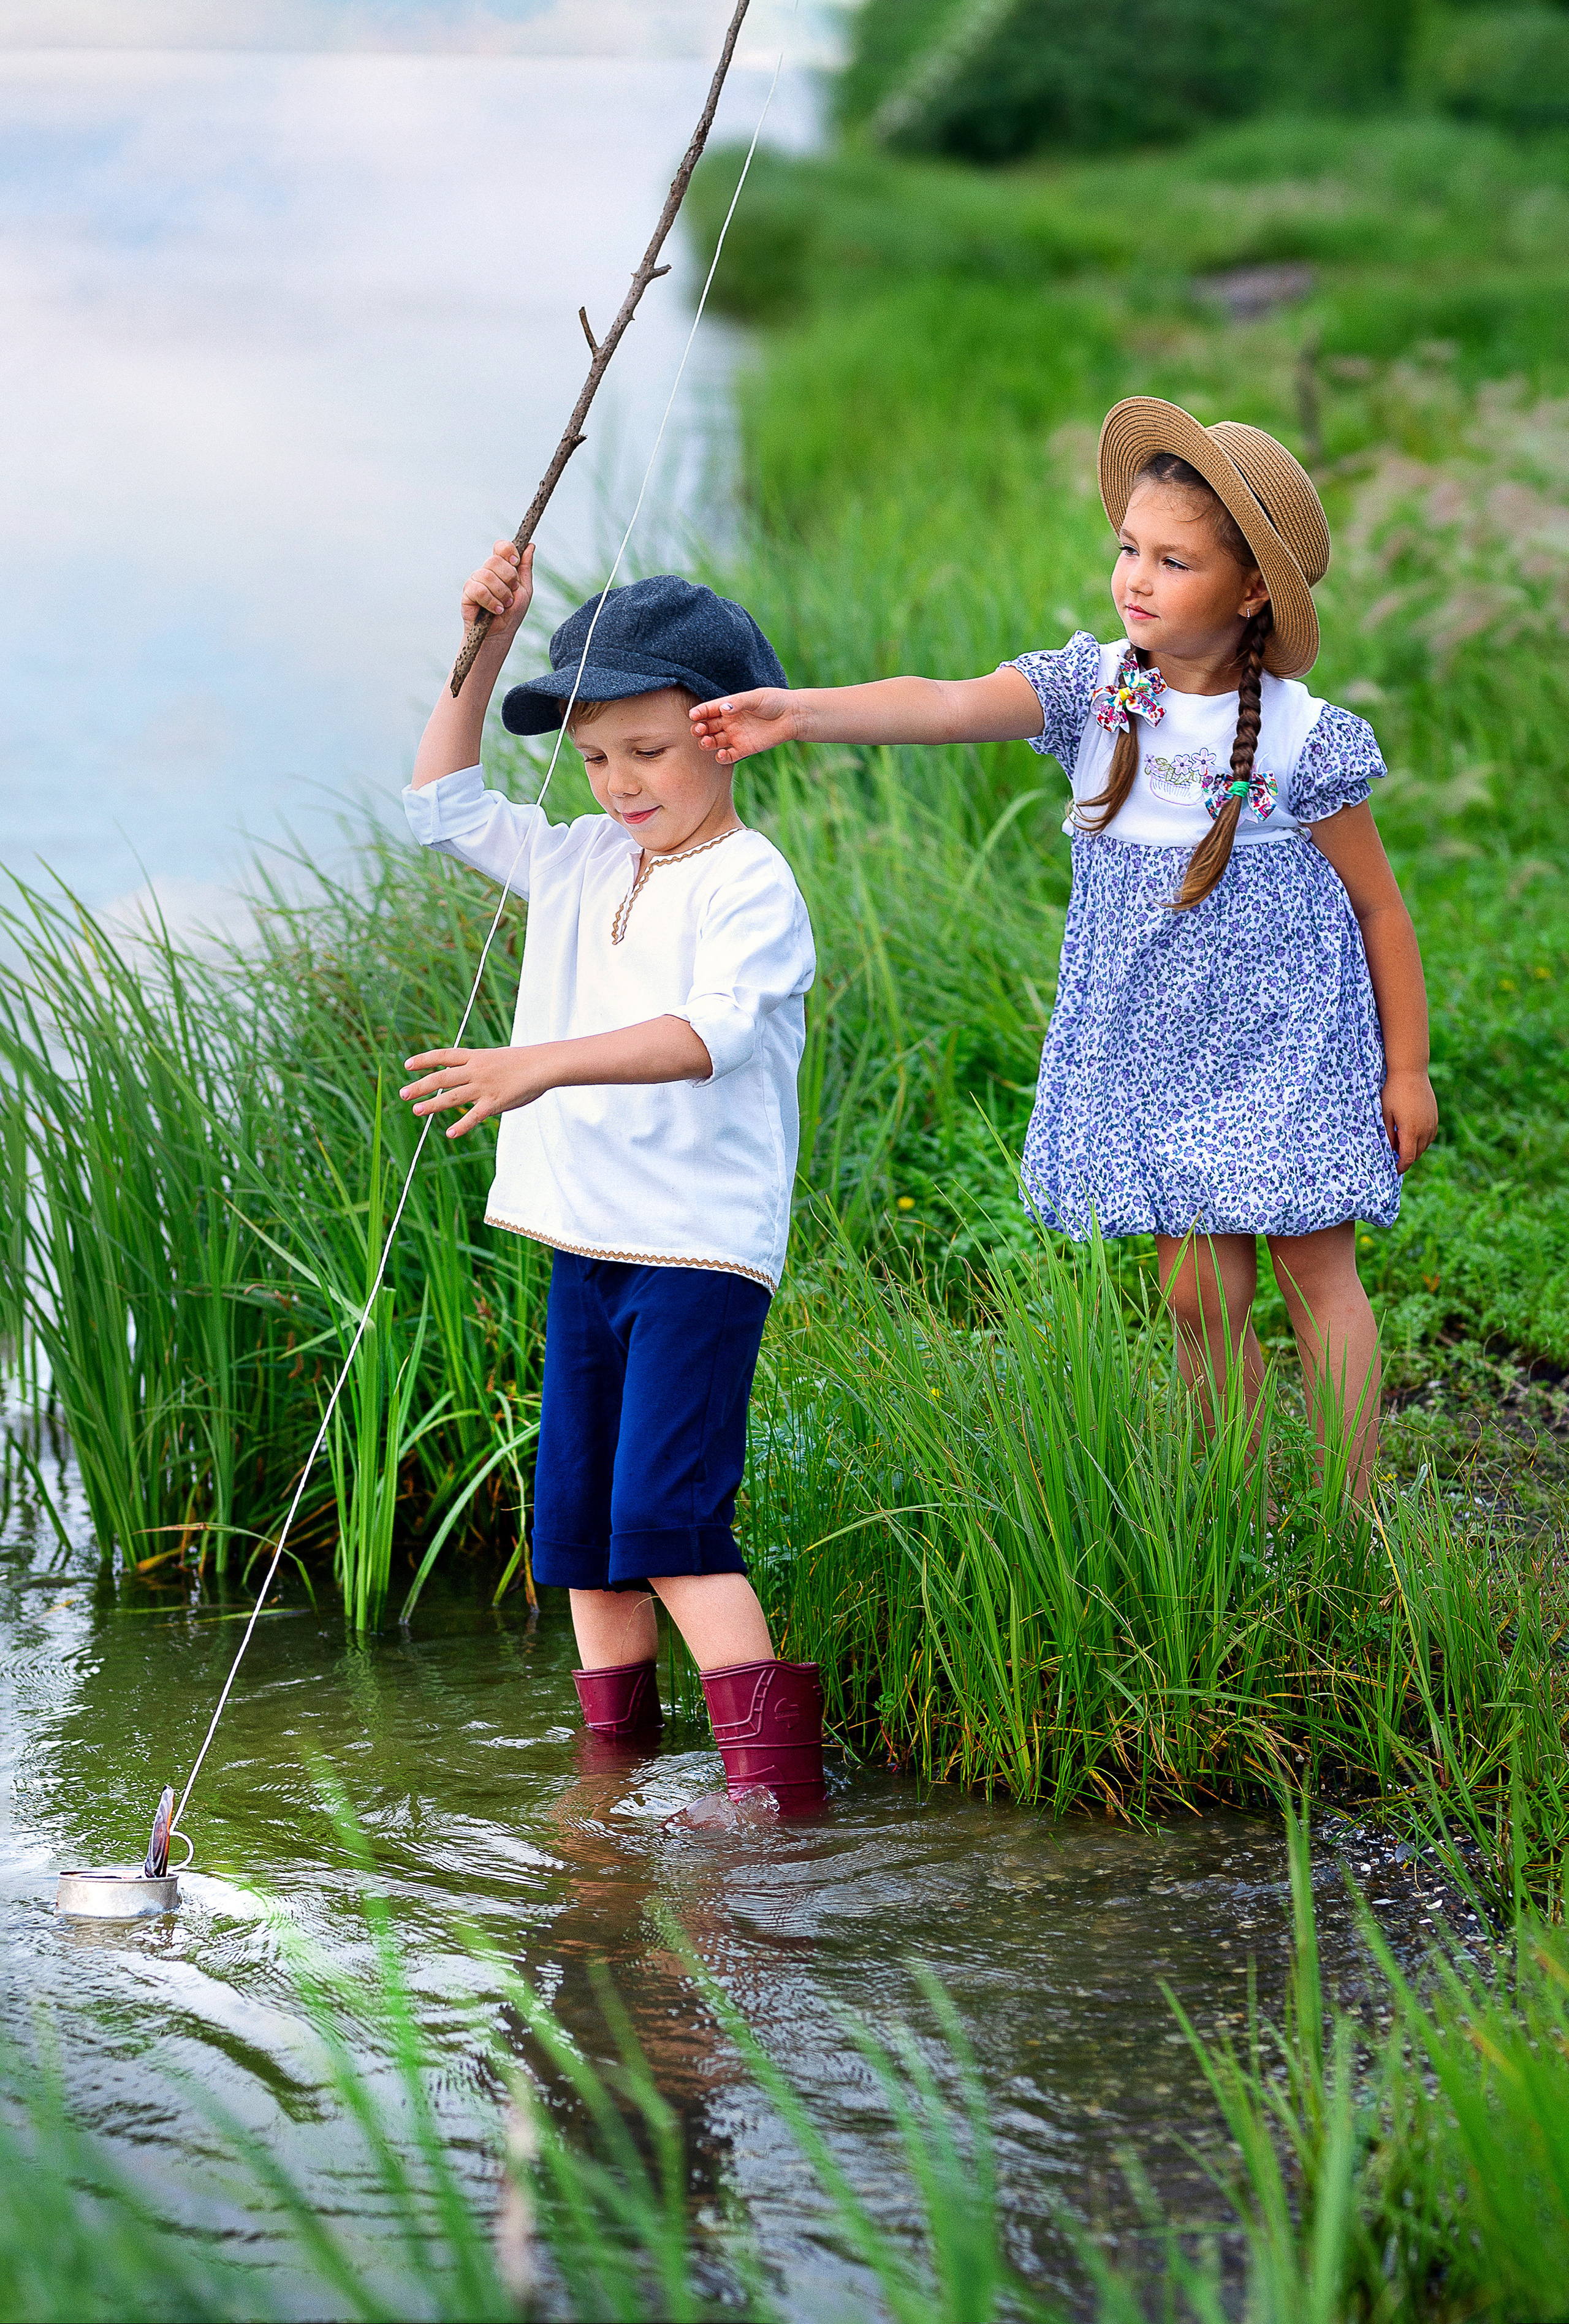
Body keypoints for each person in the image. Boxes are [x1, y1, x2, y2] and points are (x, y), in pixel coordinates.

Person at [690, 398, 1438, 1499]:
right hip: (1153, 1049)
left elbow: (1381, 909)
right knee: (1193, 1296)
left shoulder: (1299, 737)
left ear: (1251, 592)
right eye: (1128, 548)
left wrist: (1406, 1067)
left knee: (1311, 1267)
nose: (1135, 577)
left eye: (1173, 561)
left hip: (1292, 1047)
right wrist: (798, 714)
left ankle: (1348, 1516)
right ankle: (1224, 1506)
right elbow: (943, 702)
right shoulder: (1095, 694)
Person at [398, 541, 824, 1811]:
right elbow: (439, 804)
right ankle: (612, 1786)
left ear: (724, 739)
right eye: (593, 758)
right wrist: (481, 646)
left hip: (697, 1252)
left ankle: (774, 1807)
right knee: (583, 1539)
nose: (617, 782)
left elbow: (708, 1036)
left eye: (645, 750)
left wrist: (537, 1066)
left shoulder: (750, 883)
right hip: (586, 1243)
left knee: (669, 1527)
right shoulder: (583, 858)